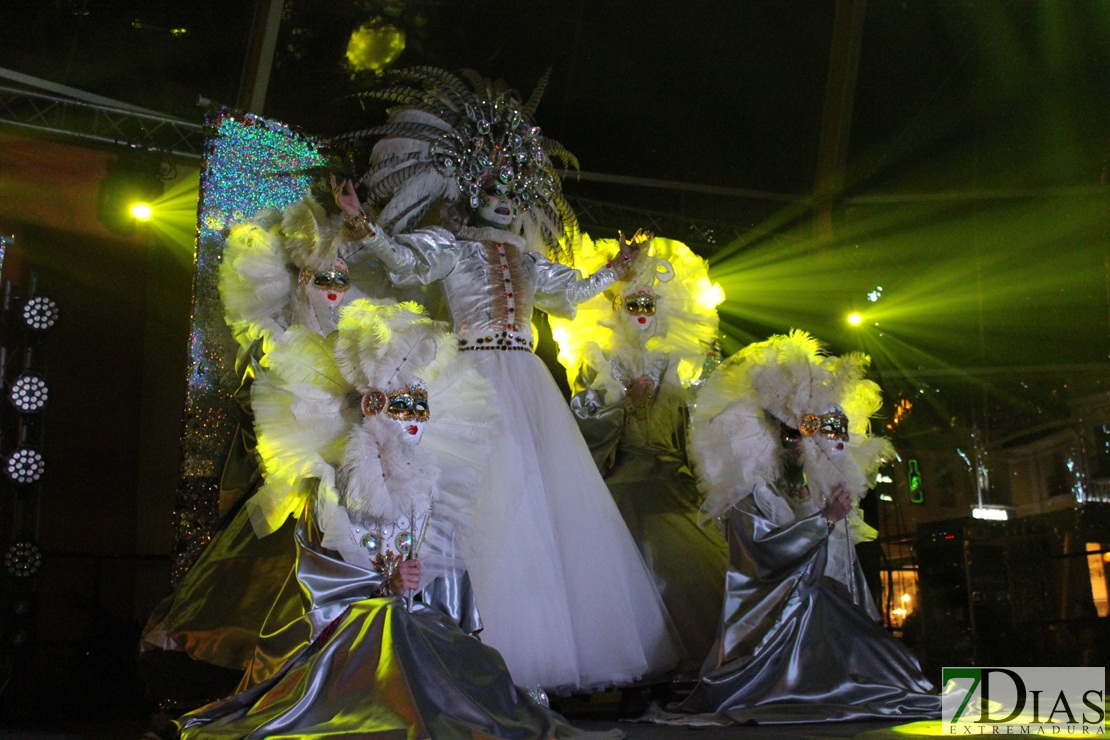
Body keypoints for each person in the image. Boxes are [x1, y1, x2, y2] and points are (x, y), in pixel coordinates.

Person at [333, 66, 682, 694]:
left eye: (513, 191)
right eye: (493, 187)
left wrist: (617, 267)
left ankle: (547, 651)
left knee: (543, 500)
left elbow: (572, 288)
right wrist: (364, 226)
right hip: (472, 377)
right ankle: (471, 643)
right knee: (482, 497)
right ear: (471, 187)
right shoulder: (449, 244)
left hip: (528, 379)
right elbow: (405, 262)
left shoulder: (523, 256)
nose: (504, 199)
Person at [175, 300, 615, 738]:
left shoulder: (428, 482)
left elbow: (449, 583)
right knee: (391, 649)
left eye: (421, 407)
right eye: (402, 407)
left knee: (469, 675)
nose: (415, 421)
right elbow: (315, 580)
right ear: (373, 408)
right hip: (347, 630)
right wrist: (384, 585)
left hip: (417, 620)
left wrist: (423, 590)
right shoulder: (332, 487)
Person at [646, 330, 940, 725]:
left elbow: (839, 570)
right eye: (813, 432)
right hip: (776, 629)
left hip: (828, 621)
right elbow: (764, 555)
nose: (824, 443)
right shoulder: (754, 492)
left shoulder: (817, 491)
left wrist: (828, 518)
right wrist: (823, 522)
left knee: (893, 668)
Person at [140, 195, 369, 691]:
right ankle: (279, 666)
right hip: (297, 458)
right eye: (321, 279)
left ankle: (339, 665)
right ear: (301, 280)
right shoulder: (278, 334)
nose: (333, 290)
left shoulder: (358, 336)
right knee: (285, 560)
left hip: (350, 466)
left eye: (341, 280)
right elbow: (267, 394)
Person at [550, 233, 729, 669]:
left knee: (698, 561)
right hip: (620, 480)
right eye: (633, 305)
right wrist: (621, 404)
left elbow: (693, 430)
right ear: (616, 308)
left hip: (674, 481)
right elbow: (584, 423)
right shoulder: (597, 359)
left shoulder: (675, 363)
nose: (642, 314)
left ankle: (700, 662)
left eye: (650, 305)